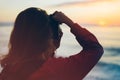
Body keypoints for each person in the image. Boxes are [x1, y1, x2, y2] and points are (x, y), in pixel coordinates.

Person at [0, 7, 103, 80]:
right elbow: (95, 49)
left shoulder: (8, 71)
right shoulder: (55, 70)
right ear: (50, 39)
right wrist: (69, 22)